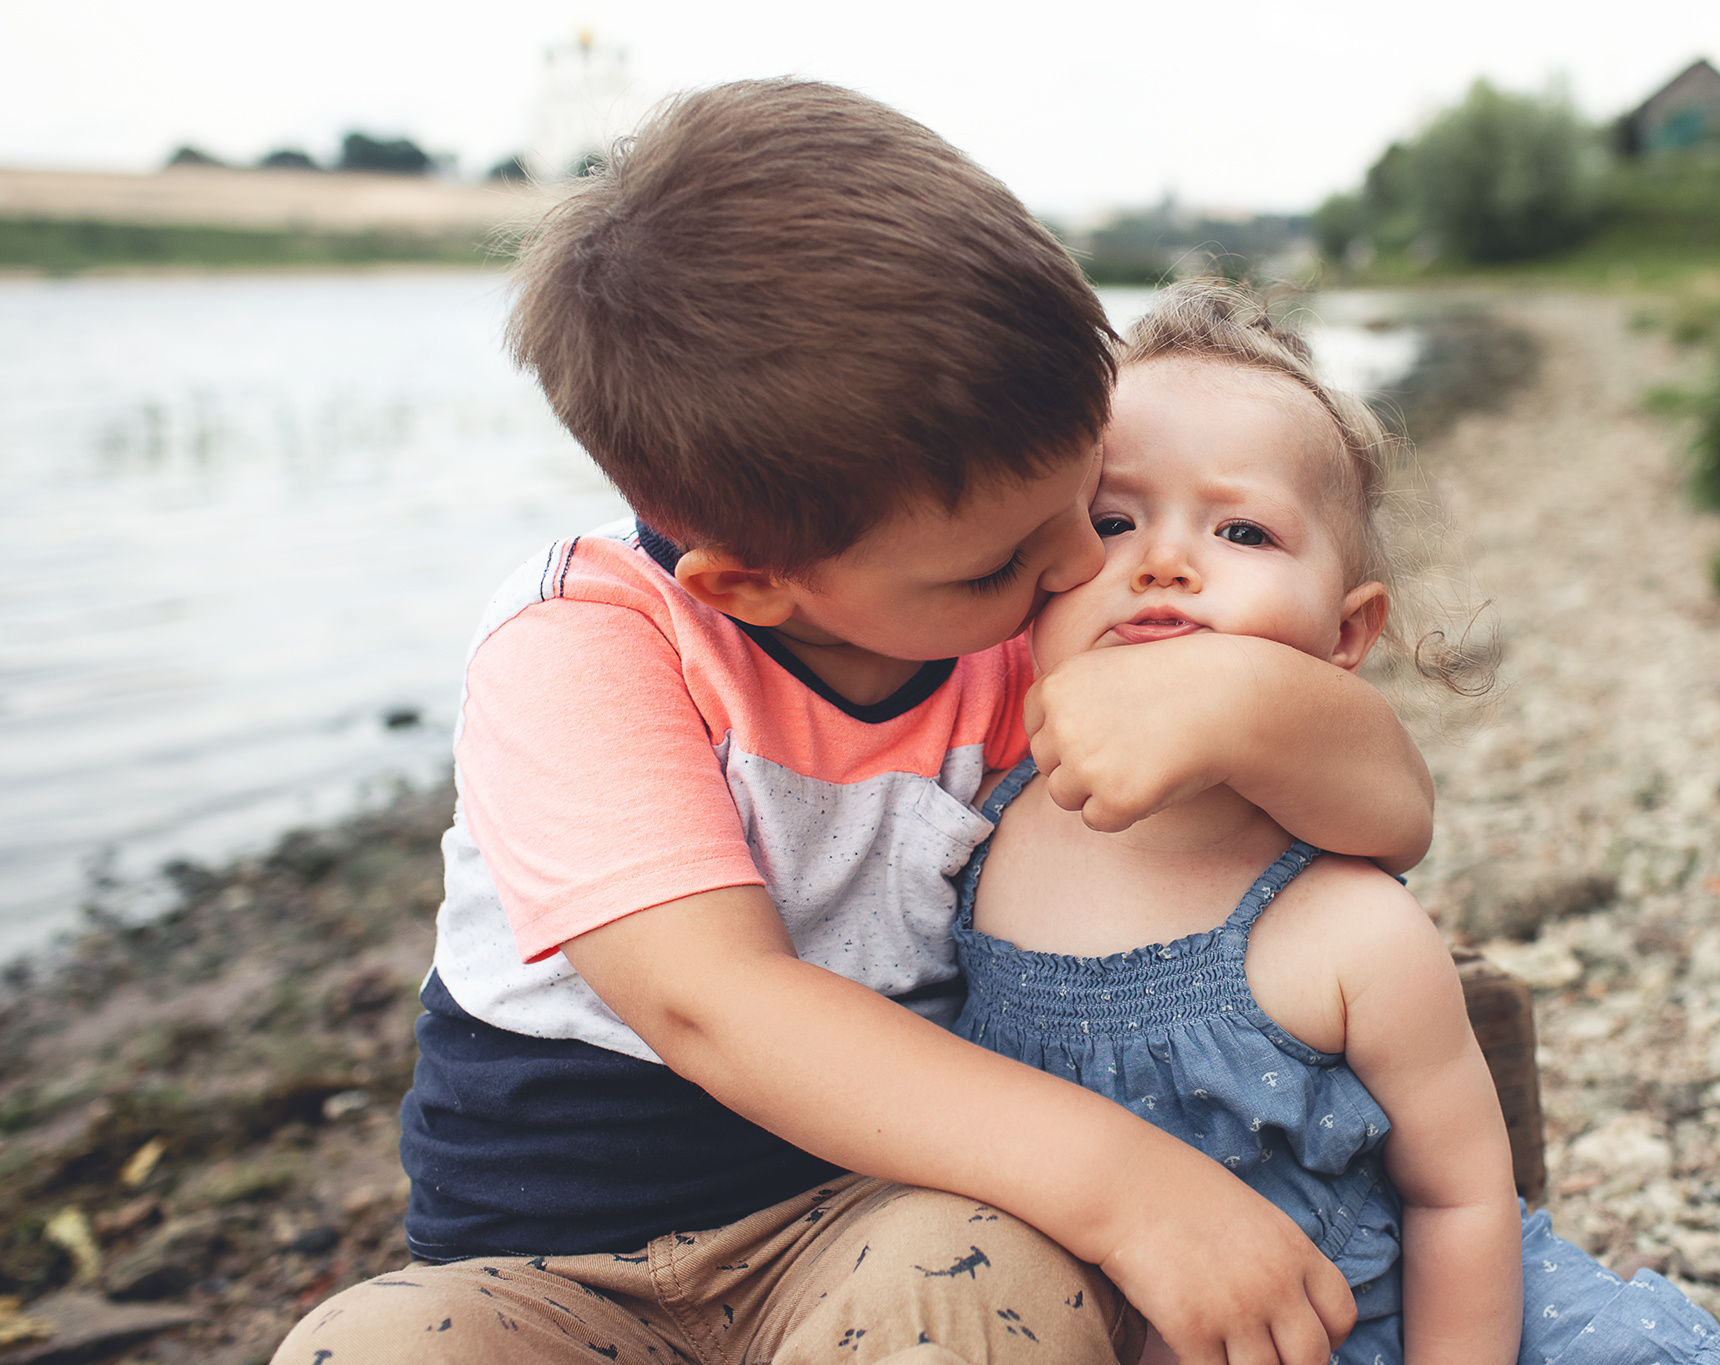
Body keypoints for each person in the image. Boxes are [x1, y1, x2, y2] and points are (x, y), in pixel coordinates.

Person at [274, 83, 1438, 1365]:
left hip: (878, 1215)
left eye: (1085, 503)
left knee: (992, 1291)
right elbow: (716, 1003)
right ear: (751, 583)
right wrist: (1128, 1186)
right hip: (546, 1269)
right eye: (1004, 552)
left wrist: (1250, 699)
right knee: (364, 1349)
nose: (1070, 567)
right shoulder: (586, 643)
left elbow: (1386, 822)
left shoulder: (1012, 620)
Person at [949, 285, 1720, 1365]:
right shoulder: (972, 822)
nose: (1163, 562)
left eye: (1241, 530)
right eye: (1108, 520)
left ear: (1344, 635)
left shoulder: (1343, 926)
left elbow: (1460, 1200)